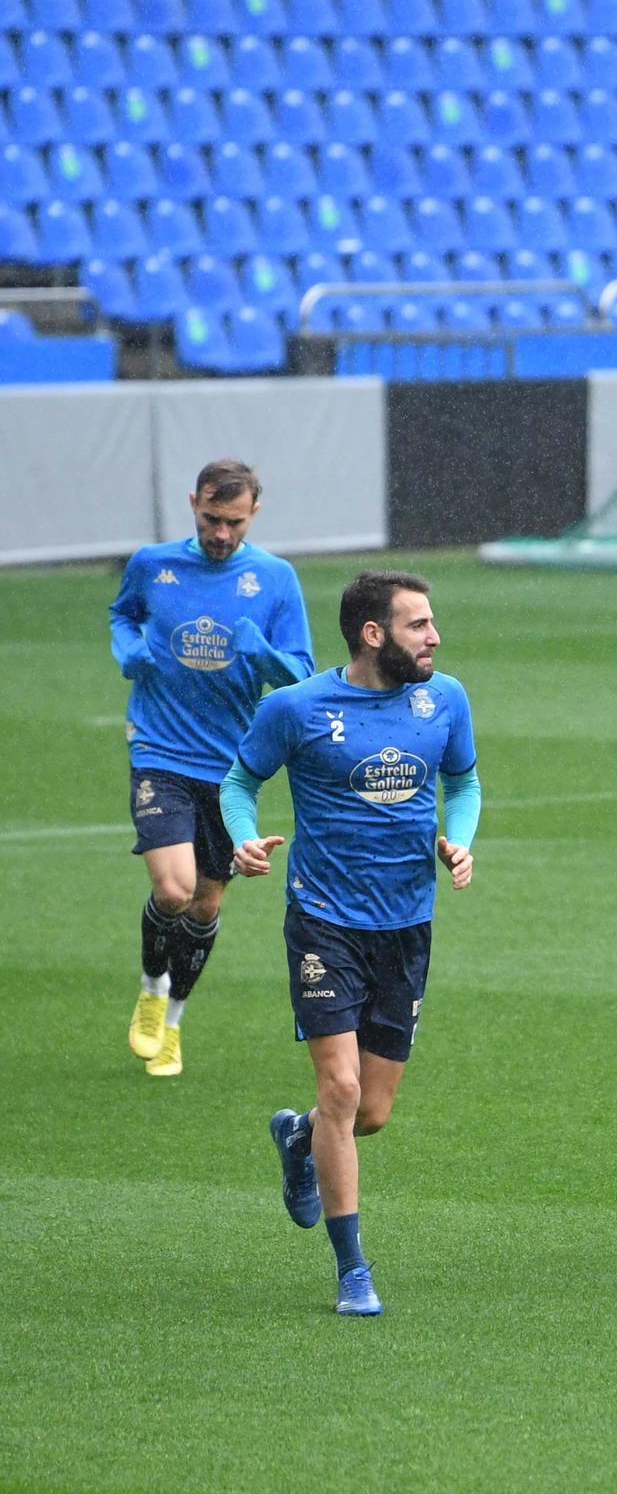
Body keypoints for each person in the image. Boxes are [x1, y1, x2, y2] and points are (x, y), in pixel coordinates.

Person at [221, 569, 480, 1316]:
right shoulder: (295, 708)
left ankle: (297, 1138)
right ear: (374, 634)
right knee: (339, 1089)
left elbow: (462, 783)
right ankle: (352, 1269)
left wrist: (457, 842)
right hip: (324, 919)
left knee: (369, 1112)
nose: (434, 637)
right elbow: (239, 783)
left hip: (405, 923)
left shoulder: (446, 700)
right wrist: (243, 841)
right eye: (418, 625)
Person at [109, 458, 314, 1079]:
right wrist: (129, 650)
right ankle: (150, 986)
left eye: (232, 522)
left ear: (254, 511)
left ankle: (171, 1022)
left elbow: (301, 674)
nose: (220, 534)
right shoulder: (153, 563)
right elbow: (124, 614)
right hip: (161, 749)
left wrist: (265, 654)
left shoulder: (276, 579)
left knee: (204, 904)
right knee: (171, 888)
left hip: (231, 767)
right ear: (192, 503)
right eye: (209, 518)